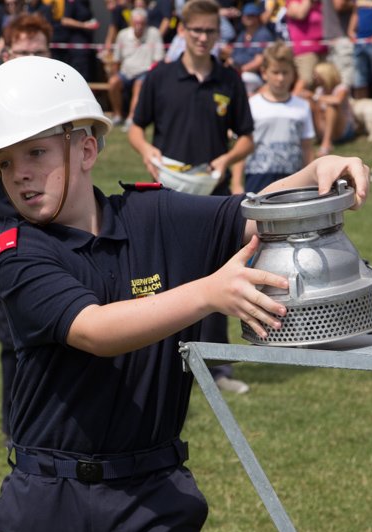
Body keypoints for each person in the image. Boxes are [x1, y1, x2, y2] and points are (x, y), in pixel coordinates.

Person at [0, 53, 369, 532]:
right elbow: (95, 330)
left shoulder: (154, 215)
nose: (20, 174)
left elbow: (251, 213)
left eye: (37, 152)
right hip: (50, 504)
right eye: (6, 160)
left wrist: (313, 173)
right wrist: (208, 293)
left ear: (87, 148)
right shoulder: (19, 254)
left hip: (151, 498)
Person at [128, 0, 255, 394]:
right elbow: (135, 128)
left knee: (219, 279)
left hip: (213, 198)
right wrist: (147, 151)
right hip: (167, 197)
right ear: (182, 30)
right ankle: (165, 366)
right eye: (196, 30)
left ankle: (218, 370)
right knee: (166, 280)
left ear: (218, 33)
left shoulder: (229, 80)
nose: (203, 37)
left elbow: (247, 137)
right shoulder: (160, 77)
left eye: (210, 31)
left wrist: (227, 159)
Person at [0, 12, 55, 440]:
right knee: (12, 333)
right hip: (9, 227)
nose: (29, 59)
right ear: (6, 54)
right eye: (22, 52)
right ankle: (16, 427)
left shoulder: (63, 94)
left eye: (37, 52)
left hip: (59, 224)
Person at [243, 41, 315, 193]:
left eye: (285, 72)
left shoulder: (302, 106)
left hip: (293, 179)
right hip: (258, 178)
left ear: (293, 73)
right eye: (275, 72)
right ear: (264, 73)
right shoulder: (251, 105)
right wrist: (237, 183)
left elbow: (307, 147)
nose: (280, 78)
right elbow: (242, 146)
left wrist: (311, 181)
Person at [106, 7, 165, 126]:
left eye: (142, 23)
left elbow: (158, 59)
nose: (139, 25)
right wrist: (114, 74)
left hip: (145, 72)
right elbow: (116, 60)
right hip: (125, 73)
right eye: (136, 22)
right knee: (113, 82)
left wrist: (151, 74)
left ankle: (131, 117)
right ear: (131, 22)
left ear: (146, 22)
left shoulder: (154, 33)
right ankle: (118, 115)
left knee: (139, 84)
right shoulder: (122, 34)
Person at [222, 2, 275, 95]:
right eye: (246, 15)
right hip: (238, 72)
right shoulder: (242, 34)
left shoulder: (263, 34)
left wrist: (240, 70)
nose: (248, 18)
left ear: (257, 17)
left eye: (252, 15)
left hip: (253, 75)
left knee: (245, 78)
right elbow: (232, 57)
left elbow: (259, 61)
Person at [305, 60, 355, 156]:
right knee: (310, 103)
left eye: (317, 74)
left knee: (331, 107)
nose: (314, 77)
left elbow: (337, 100)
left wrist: (314, 96)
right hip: (323, 126)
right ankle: (310, 138)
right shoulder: (319, 90)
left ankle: (326, 143)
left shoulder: (341, 88)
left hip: (342, 130)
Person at [52, 0, 100, 81]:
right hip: (77, 46)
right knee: (79, 71)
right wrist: (84, 25)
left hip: (86, 44)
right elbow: (65, 20)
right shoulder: (72, 2)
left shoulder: (85, 3)